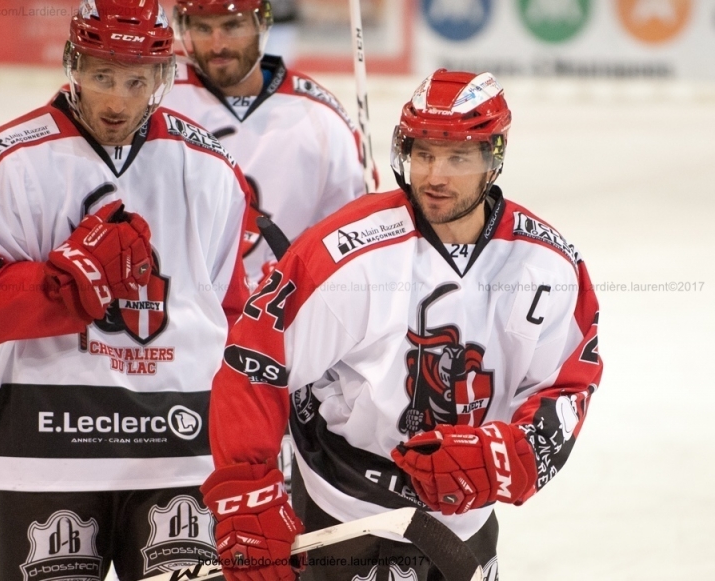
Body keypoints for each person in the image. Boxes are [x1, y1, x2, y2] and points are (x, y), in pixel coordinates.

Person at [199, 70, 603, 581]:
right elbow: (255, 365)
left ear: (493, 159)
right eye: (424, 153)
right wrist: (247, 497)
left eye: (458, 156)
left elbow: (568, 385)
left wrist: (511, 454)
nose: (435, 175)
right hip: (342, 510)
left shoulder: (548, 265)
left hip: (462, 518)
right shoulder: (343, 254)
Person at [0, 1, 250, 580]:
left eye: (135, 79)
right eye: (103, 76)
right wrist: (64, 288)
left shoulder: (209, 164)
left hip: (180, 449)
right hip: (48, 446)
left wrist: (248, 443)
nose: (118, 99)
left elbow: (230, 314)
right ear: (74, 65)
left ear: (162, 77)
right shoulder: (10, 158)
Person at [164, 0, 369, 288]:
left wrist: (302, 275)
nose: (217, 44)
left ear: (262, 24)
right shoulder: (155, 96)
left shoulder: (323, 121)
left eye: (232, 26)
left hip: (275, 313)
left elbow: (350, 235)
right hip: (173, 306)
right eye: (202, 28)